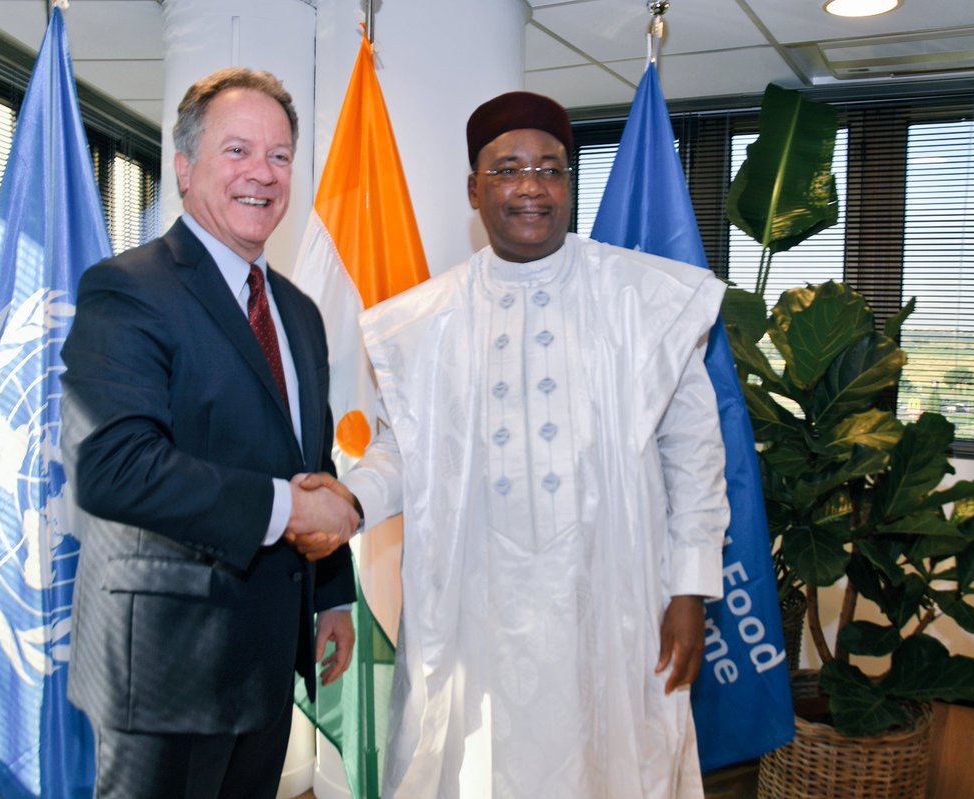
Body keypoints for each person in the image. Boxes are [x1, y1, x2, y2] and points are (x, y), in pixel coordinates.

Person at [300, 91, 731, 798]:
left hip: (614, 599)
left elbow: (694, 456)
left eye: (550, 169)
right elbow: (403, 454)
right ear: (475, 189)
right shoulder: (424, 321)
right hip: (475, 608)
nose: (532, 186)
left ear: (569, 183)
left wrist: (690, 587)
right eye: (507, 170)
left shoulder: (645, 300)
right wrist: (349, 501)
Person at [59, 67, 359, 799]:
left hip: (267, 659)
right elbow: (114, 466)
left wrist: (331, 595)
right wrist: (289, 509)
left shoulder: (298, 312)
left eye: (280, 155)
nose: (263, 172)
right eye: (238, 150)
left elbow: (309, 461)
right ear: (186, 168)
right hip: (164, 671)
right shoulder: (128, 288)